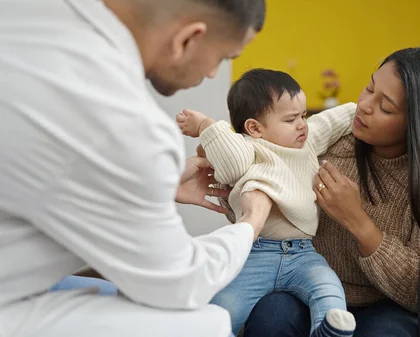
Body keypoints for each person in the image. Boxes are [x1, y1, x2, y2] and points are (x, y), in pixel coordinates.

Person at [0, 0, 270, 336]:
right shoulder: (123, 123)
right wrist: (250, 223)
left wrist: (159, 186)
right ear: (187, 39)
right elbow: (181, 284)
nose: (214, 73)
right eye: (223, 58)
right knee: (206, 325)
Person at [240, 47, 420, 337]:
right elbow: (264, 172)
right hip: (306, 287)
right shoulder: (327, 146)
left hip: (387, 305)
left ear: (419, 125)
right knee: (272, 315)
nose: (365, 105)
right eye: (369, 88)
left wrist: (358, 222)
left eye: (385, 107)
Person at [176, 69, 357, 337]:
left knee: (328, 288)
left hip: (303, 254)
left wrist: (363, 108)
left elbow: (333, 120)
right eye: (291, 119)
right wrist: (206, 125)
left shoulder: (305, 144)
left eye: (304, 115)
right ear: (255, 128)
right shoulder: (247, 149)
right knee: (225, 307)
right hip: (255, 254)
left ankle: (327, 331)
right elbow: (230, 163)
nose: (302, 124)